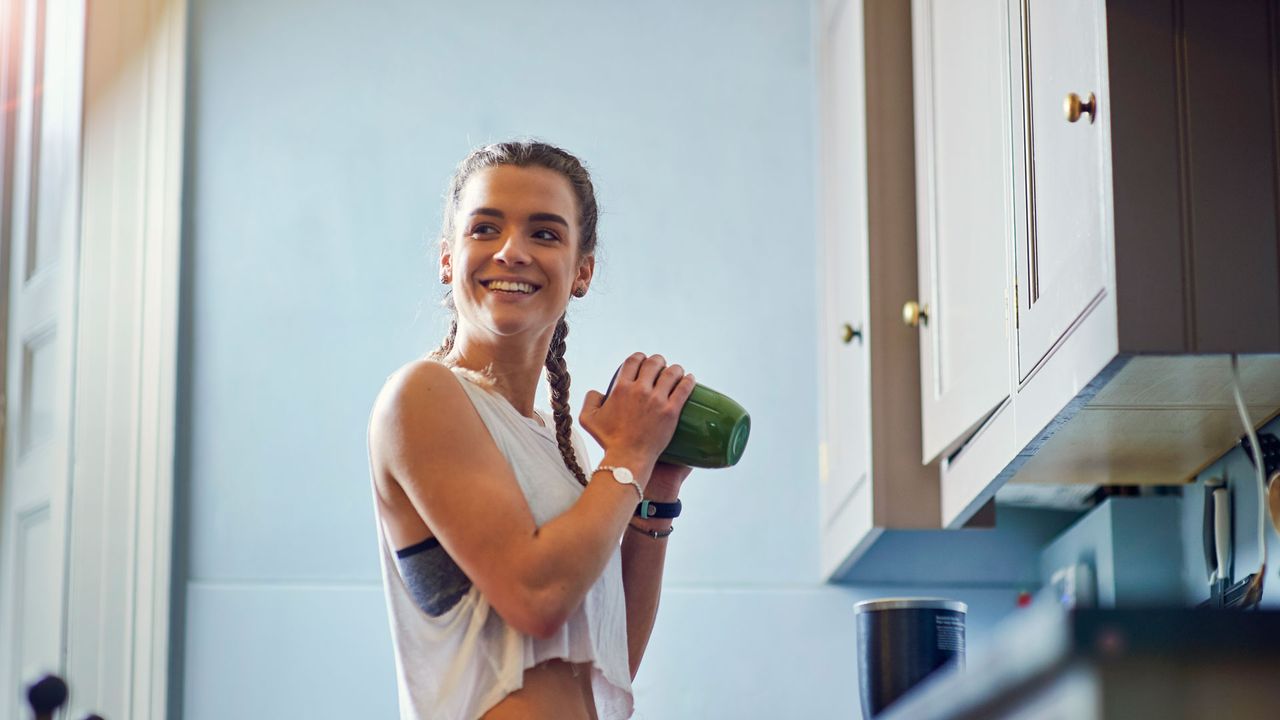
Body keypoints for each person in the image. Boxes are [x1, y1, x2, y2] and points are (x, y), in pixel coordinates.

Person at [366, 140, 695, 719]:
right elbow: (536, 598)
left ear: (582, 271)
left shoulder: (558, 444)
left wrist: (655, 488)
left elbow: (609, 652)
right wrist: (629, 454)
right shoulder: (422, 395)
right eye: (485, 229)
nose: (511, 252)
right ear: (448, 258)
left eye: (544, 234)